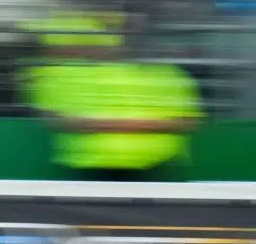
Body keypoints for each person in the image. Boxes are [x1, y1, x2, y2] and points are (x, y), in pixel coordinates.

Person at [21, 10, 203, 181]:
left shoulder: (168, 74)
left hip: (156, 168)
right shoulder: (68, 74)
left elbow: (187, 121)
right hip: (89, 168)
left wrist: (105, 124)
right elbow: (59, 120)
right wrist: (143, 125)